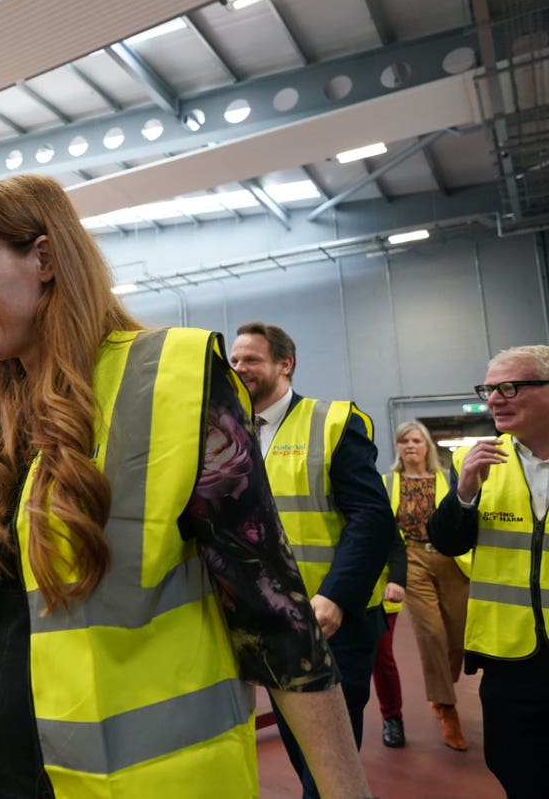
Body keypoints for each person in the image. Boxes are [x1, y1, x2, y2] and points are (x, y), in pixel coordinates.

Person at [0, 173, 373, 799]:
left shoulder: (176, 379)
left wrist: (345, 791)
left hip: (149, 781)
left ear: (45, 259)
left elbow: (273, 613)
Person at [229, 322, 396, 798]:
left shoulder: (333, 422)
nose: (240, 369)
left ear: (285, 364)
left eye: (252, 360)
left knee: (328, 771)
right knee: (301, 749)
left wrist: (336, 597)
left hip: (332, 622)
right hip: (270, 622)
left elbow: (372, 518)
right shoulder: (228, 432)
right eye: (235, 361)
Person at [428, 345, 549, 797]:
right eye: (488, 389)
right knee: (514, 767)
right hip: (507, 655)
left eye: (510, 387)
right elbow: (447, 541)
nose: (494, 399)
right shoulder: (476, 461)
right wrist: (463, 493)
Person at [386, 419, 469, 751]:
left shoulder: (445, 479)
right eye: (404, 441)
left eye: (416, 441)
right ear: (398, 447)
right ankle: (447, 708)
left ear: (427, 447)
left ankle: (442, 687)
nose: (410, 446)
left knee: (459, 638)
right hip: (413, 560)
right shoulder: (387, 482)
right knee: (431, 634)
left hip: (451, 560)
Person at [372, 531, 407, 747]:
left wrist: (396, 580)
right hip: (333, 595)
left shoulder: (372, 502)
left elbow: (396, 545)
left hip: (381, 598)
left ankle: (392, 717)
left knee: (381, 657)